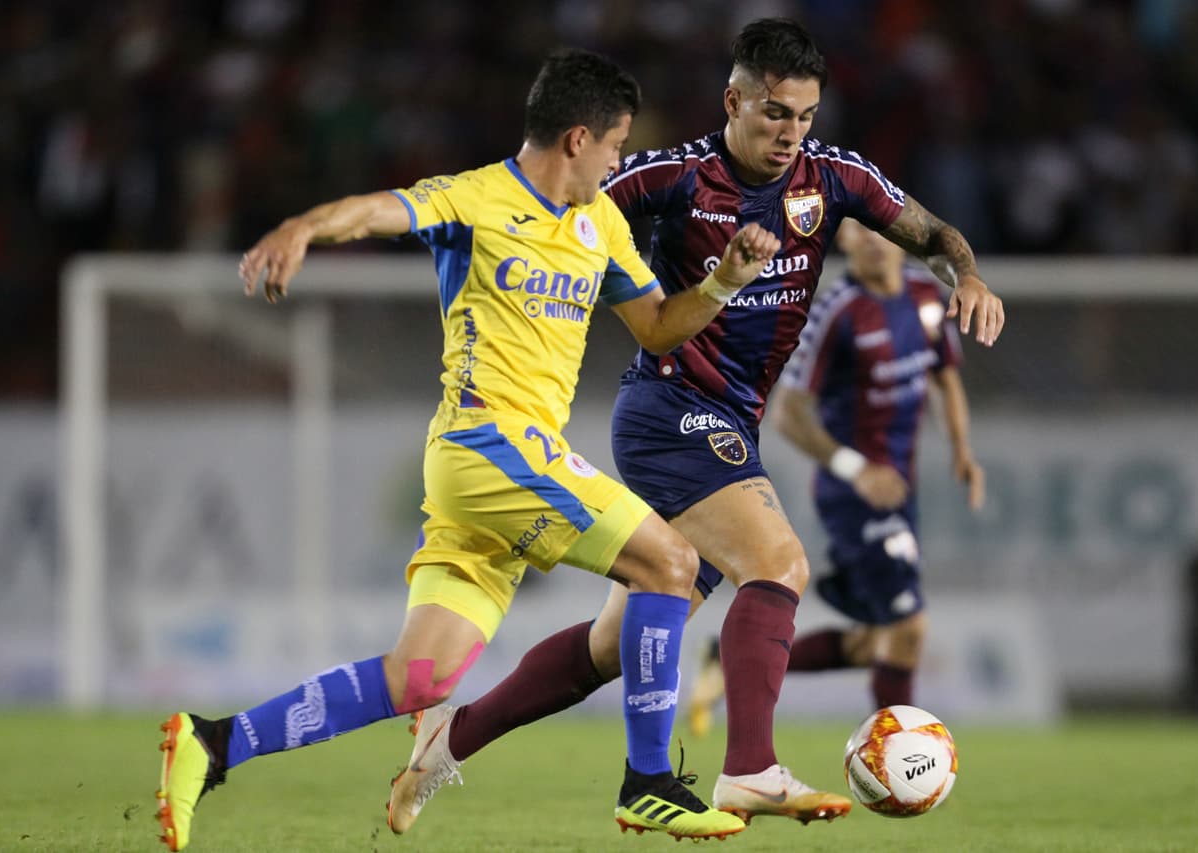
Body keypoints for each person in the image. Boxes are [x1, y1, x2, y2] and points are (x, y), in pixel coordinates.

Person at [154, 48, 782, 851]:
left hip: (498, 468)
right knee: (671, 563)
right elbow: (376, 211)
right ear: (578, 138)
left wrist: (724, 282)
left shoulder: (602, 224)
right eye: (618, 145)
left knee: (421, 676)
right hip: (487, 441)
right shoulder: (477, 198)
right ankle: (650, 783)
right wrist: (303, 227)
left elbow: (659, 325)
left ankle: (210, 744)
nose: (622, 161)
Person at [386, 17, 1004, 831]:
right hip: (670, 409)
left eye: (806, 116)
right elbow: (551, 196)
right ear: (734, 100)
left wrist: (969, 276)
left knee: (613, 647)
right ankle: (750, 767)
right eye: (775, 112)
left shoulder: (835, 179)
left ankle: (447, 739)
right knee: (779, 565)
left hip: (729, 423)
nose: (791, 133)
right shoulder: (671, 176)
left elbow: (932, 234)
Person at [687, 218, 985, 730]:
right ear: (843, 241)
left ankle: (726, 660)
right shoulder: (836, 312)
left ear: (899, 238)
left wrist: (962, 450)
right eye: (858, 230)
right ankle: (899, 750)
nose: (871, 238)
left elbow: (946, 377)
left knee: (876, 641)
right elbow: (789, 415)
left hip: (899, 492)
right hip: (853, 495)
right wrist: (856, 469)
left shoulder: (924, 297)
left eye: (879, 230)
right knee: (908, 629)